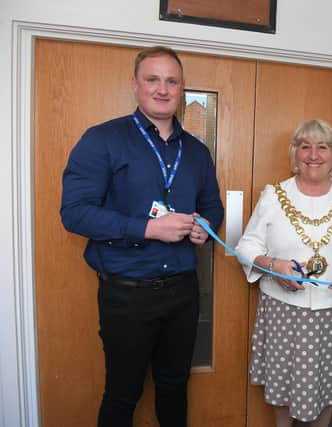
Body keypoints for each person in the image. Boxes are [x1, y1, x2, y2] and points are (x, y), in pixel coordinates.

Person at [60, 46, 224, 427]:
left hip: (183, 291)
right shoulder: (102, 140)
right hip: (126, 294)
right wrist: (150, 228)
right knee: (122, 393)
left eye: (172, 81)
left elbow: (212, 206)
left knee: (174, 386)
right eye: (153, 79)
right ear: (134, 85)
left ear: (182, 89)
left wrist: (206, 228)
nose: (162, 89)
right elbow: (75, 213)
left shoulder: (197, 152)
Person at [235, 119, 332, 427]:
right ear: (295, 154)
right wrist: (273, 266)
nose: (313, 154)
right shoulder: (274, 195)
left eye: (322, 147)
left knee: (327, 391)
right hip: (283, 312)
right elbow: (246, 246)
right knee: (282, 394)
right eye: (305, 146)